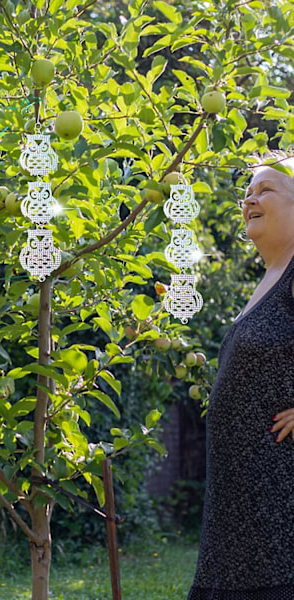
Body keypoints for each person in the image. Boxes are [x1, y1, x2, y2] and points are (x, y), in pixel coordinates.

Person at [188, 153, 294, 599]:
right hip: (240, 505)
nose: (249, 198)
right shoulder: (272, 274)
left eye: (265, 189)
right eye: (247, 192)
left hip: (277, 504)